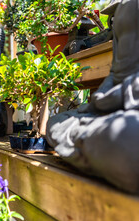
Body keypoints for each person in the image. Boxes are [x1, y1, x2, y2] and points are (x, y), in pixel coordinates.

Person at [46, 0, 139, 193]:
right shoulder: (124, 8)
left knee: (127, 135)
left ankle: (87, 146)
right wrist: (100, 101)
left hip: (129, 121)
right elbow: (117, 74)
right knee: (55, 122)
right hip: (118, 115)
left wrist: (121, 95)